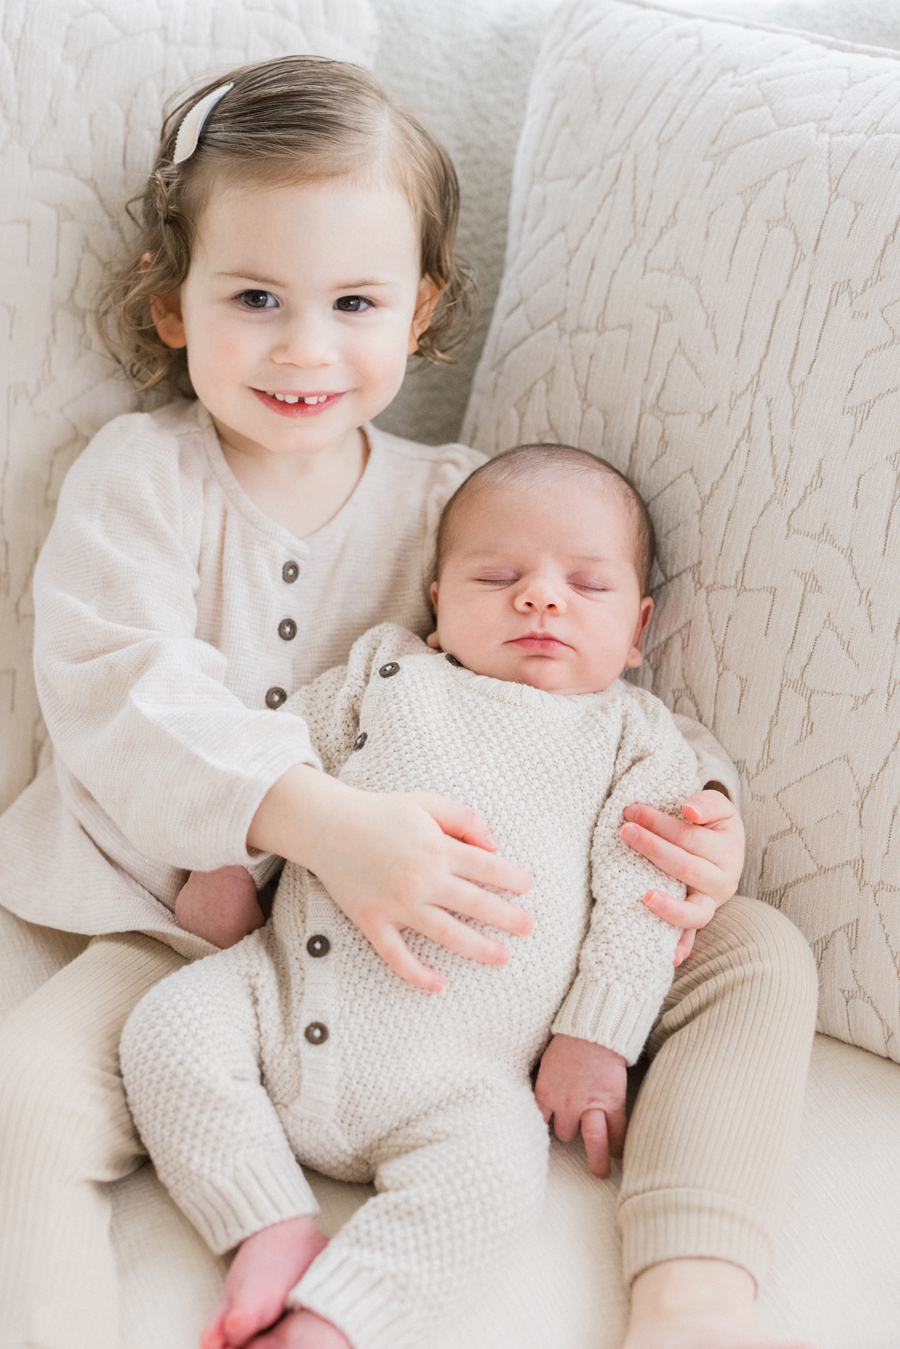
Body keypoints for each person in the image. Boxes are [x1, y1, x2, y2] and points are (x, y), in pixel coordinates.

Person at [0, 55, 814, 1349]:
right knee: (27, 1105)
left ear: (421, 309)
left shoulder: (469, 505)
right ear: (173, 306)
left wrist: (700, 822)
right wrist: (312, 822)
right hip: (188, 931)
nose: (305, 346)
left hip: (469, 973)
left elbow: (600, 713)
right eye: (255, 296)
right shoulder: (141, 477)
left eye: (355, 300)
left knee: (759, 947)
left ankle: (696, 1287)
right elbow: (118, 688)